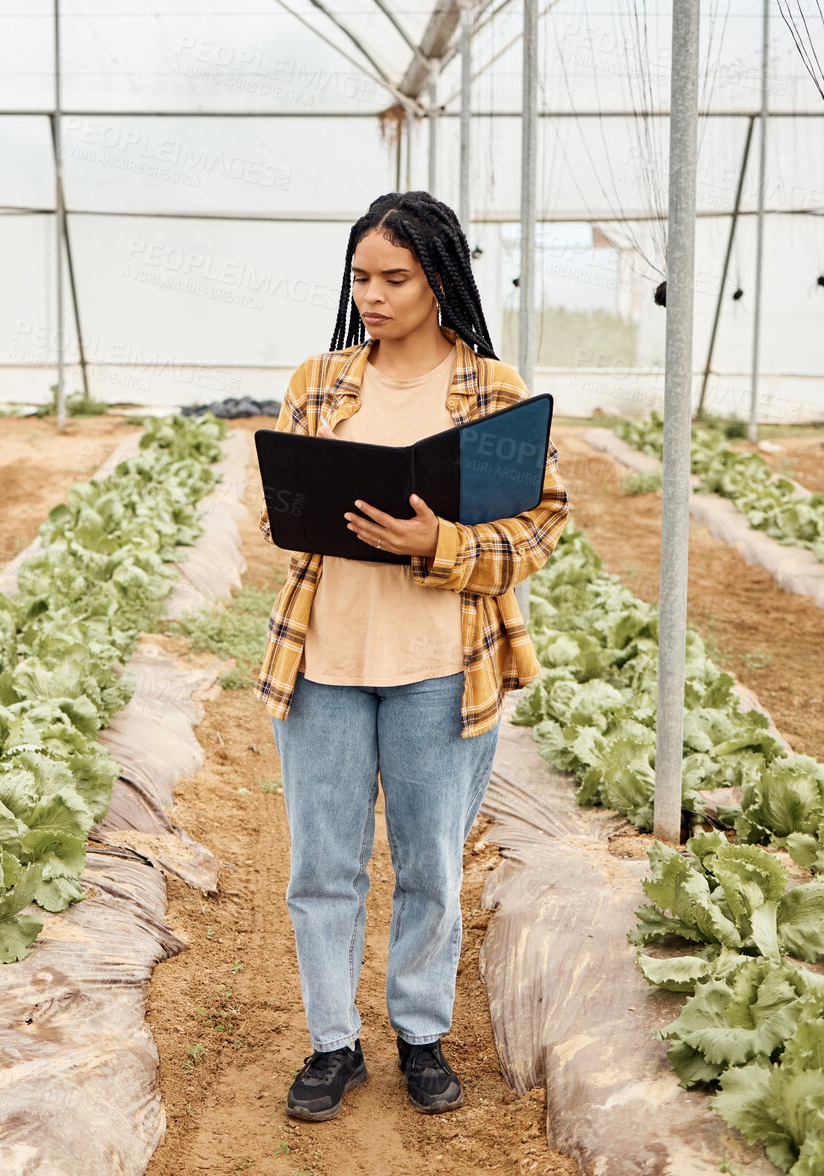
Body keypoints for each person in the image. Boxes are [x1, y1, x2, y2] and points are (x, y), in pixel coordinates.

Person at [255, 190, 570, 1121]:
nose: (374, 295)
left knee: (429, 861)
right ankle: (331, 1043)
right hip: (325, 660)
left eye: (395, 277)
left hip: (444, 661)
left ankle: (421, 1033)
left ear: (440, 280)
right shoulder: (318, 379)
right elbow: (284, 502)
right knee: (322, 865)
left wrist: (439, 545)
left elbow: (541, 526)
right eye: (361, 277)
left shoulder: (494, 391)